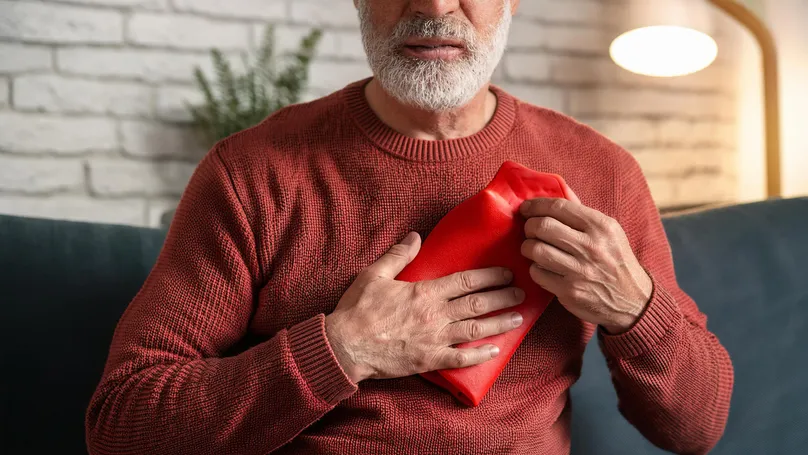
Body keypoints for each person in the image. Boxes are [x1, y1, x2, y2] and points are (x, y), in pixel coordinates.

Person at [85, 1, 734, 454]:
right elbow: (122, 422)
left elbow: (696, 427)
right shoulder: (250, 174)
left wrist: (635, 307)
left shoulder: (603, 171)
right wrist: (343, 348)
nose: (436, 5)